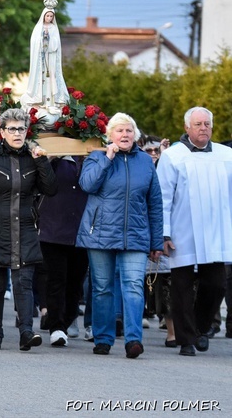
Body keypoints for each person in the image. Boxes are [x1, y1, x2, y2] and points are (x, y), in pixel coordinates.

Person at [0, 108, 57, 351]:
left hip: (26, 228)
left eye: (21, 128)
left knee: (24, 283)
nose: (17, 133)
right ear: (2, 132)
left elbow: (50, 189)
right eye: (12, 129)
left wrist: (42, 161)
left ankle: (26, 332)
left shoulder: (34, 156)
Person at [76, 112, 163, 358]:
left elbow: (154, 202)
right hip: (100, 233)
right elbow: (87, 185)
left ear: (135, 135)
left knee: (134, 286)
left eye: (128, 131)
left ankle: (133, 340)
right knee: (102, 288)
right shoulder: (96, 157)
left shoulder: (145, 162)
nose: (124, 135)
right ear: (109, 135)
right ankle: (103, 338)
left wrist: (156, 241)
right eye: (119, 131)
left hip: (135, 235)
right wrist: (107, 158)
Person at [156, 107, 232, 356]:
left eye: (207, 124)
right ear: (187, 127)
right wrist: (163, 234)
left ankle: (199, 327)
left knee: (217, 284)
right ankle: (186, 339)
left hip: (216, 232)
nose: (203, 128)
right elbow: (163, 198)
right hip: (183, 232)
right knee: (181, 287)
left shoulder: (226, 155)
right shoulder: (173, 156)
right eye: (198, 124)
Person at [37, 156, 89, 347]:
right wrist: (48, 159)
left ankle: (67, 320)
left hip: (82, 230)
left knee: (75, 283)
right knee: (56, 279)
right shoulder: (56, 157)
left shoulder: (93, 155)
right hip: (53, 228)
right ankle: (56, 326)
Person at [19, 0, 69, 116]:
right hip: (41, 59)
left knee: (51, 78)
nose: (49, 18)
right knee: (41, 79)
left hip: (51, 58)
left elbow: (56, 44)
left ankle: (51, 103)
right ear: (44, 15)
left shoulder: (53, 28)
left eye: (51, 16)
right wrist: (43, 39)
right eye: (48, 15)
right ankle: (40, 101)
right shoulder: (38, 28)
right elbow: (35, 43)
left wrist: (49, 40)